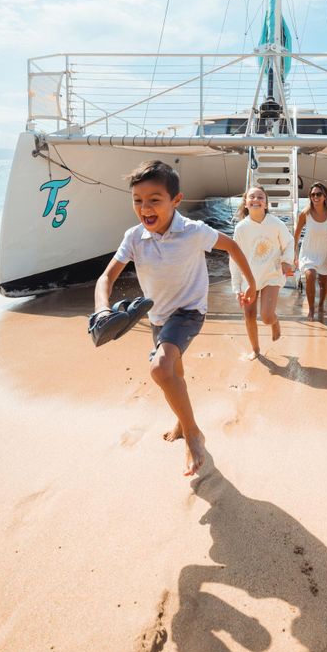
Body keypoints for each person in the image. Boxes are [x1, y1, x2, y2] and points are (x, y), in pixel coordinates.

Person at [92, 160, 256, 477]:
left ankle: (193, 434)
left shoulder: (194, 232)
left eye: (155, 199)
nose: (145, 208)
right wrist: (102, 309)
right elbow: (106, 279)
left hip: (190, 311)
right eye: (138, 200)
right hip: (158, 315)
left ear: (176, 201)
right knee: (173, 376)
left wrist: (250, 283)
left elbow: (232, 246)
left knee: (160, 368)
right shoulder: (134, 237)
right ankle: (182, 421)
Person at [231, 185, 294, 358]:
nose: (256, 200)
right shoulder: (241, 229)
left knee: (266, 316)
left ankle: (274, 321)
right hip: (249, 278)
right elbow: (235, 258)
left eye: (260, 197)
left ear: (266, 204)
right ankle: (256, 350)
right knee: (249, 316)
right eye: (252, 197)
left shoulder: (275, 223)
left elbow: (289, 243)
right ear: (245, 203)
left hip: (271, 274)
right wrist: (237, 287)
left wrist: (286, 261)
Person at [293, 181, 327, 320]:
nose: (315, 197)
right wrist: (294, 255)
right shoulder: (305, 213)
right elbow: (295, 236)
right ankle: (311, 310)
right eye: (312, 194)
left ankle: (321, 305)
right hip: (309, 253)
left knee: (324, 282)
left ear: (325, 196)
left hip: (326, 253)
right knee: (310, 276)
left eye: (318, 194)